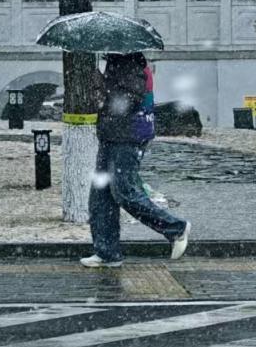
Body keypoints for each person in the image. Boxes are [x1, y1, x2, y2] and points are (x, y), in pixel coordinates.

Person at [81, 52, 190, 268]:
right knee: (101, 197)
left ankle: (176, 228)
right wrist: (101, 86)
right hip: (112, 135)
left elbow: (129, 99)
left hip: (127, 138)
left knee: (124, 192)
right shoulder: (117, 62)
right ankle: (107, 252)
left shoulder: (130, 64)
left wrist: (103, 90)